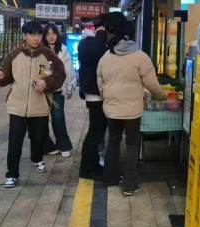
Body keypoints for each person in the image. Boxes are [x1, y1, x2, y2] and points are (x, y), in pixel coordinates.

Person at [97, 12, 166, 195]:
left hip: (112, 109)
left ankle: (110, 178)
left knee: (113, 141)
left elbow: (100, 85)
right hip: (133, 111)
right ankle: (130, 184)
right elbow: (152, 84)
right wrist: (161, 96)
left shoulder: (105, 57)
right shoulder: (140, 57)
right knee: (132, 144)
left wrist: (108, 99)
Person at [0, 20, 65, 188]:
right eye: (32, 35)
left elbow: (60, 74)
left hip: (39, 106)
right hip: (17, 106)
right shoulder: (14, 54)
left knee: (38, 138)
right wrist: (1, 76)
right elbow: (7, 73)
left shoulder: (48, 55)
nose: (36, 38)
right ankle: (11, 174)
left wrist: (46, 83)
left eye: (39, 34)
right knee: (15, 141)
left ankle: (37, 158)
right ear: (24, 35)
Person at [77, 13, 109, 180]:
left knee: (98, 132)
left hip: (98, 92)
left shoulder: (94, 41)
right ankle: (87, 169)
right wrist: (101, 34)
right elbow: (97, 53)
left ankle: (93, 164)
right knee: (95, 132)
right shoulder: (87, 41)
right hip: (94, 92)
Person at [41, 22, 75, 158]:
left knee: (58, 117)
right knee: (41, 119)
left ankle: (63, 145)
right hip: (43, 90)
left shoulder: (63, 50)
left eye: (53, 33)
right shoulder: (40, 50)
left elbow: (69, 69)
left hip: (58, 89)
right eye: (48, 34)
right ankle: (46, 146)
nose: (51, 37)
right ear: (44, 36)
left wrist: (70, 87)